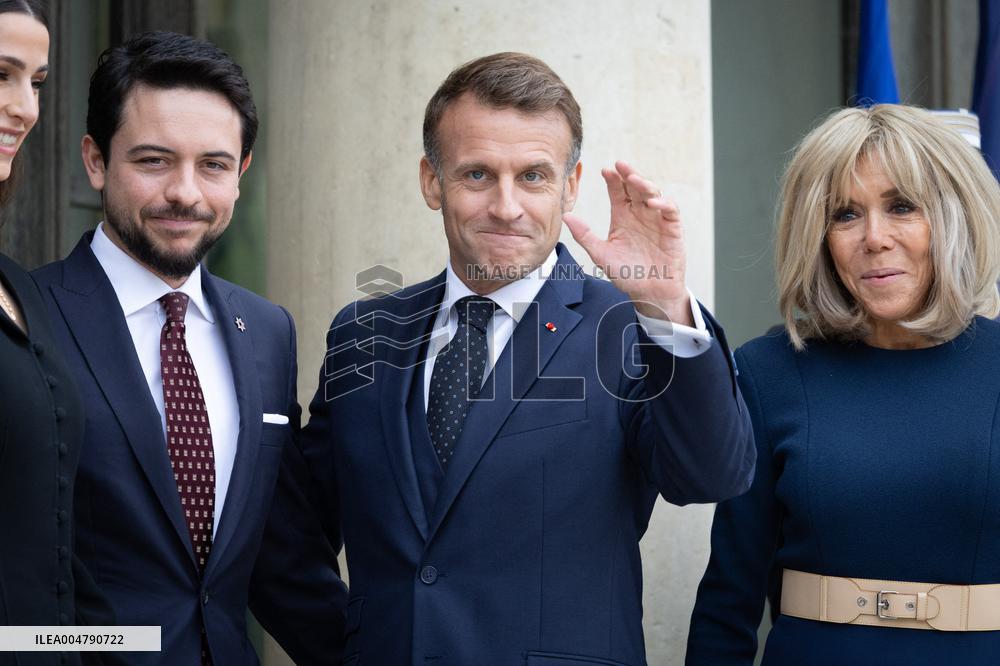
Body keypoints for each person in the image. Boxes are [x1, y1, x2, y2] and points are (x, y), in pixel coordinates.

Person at [300, 51, 755, 665]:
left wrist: (666, 303)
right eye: (478, 175)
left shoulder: (628, 326)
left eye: (534, 176)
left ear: (570, 186)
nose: (507, 207)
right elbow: (300, 528)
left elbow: (713, 478)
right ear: (433, 182)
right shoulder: (364, 330)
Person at [33, 31, 346, 664]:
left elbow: (280, 560)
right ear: (96, 161)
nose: (185, 193)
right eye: (153, 161)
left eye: (213, 164)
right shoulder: (25, 319)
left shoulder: (267, 333)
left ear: (241, 173)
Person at [685, 104, 1000, 665]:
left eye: (902, 206)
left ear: (955, 218)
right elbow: (727, 603)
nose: (874, 238)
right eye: (845, 215)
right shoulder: (769, 372)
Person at [0, 3, 115, 665]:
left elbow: (55, 553)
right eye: (3, 74)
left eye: (38, 82)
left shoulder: (22, 290)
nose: (25, 108)